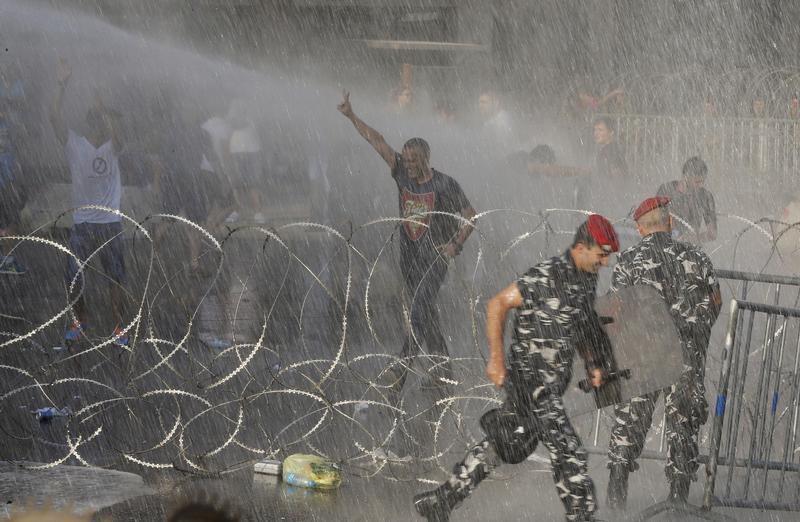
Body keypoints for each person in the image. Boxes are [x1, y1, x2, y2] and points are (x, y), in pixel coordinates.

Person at [413, 215, 620, 522]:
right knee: (568, 450)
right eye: (602, 254)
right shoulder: (547, 275)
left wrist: (593, 363)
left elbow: (583, 325)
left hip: (551, 384)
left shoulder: (586, 281)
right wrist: (496, 359)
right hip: (530, 382)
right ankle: (581, 516)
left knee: (504, 442)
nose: (605, 262)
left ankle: (442, 500)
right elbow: (497, 304)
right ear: (581, 247)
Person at [337, 90, 476, 444]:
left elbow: (471, 215)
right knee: (426, 316)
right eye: (407, 158)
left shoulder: (444, 184)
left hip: (435, 259)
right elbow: (377, 141)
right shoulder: (400, 173)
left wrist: (455, 244)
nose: (409, 164)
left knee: (417, 315)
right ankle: (444, 374)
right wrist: (352, 116)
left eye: (414, 159)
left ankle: (397, 377)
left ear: (426, 158)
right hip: (409, 259)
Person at [605, 196, 721, 509]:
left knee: (630, 422)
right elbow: (715, 301)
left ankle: (616, 499)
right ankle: (678, 500)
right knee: (683, 424)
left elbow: (616, 309)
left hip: (641, 355)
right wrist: (695, 336)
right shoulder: (696, 256)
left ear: (640, 228)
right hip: (684, 356)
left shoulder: (629, 260)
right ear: (670, 222)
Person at [49, 58, 128, 348]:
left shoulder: (113, 148)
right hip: (83, 224)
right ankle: (80, 320)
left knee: (115, 278)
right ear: (94, 125)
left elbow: (119, 135)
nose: (108, 127)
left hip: (110, 222)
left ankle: (119, 326)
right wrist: (61, 85)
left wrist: (102, 105)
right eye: (102, 122)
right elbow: (53, 116)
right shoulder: (75, 145)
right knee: (73, 275)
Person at [656, 156, 717, 243]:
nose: (701, 185)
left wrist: (694, 238)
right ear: (686, 177)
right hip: (665, 244)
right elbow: (655, 221)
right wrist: (675, 235)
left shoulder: (706, 196)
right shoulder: (666, 190)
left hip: (690, 247)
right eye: (697, 182)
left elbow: (712, 233)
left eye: (703, 181)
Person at [592, 116, 627, 181]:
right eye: (595, 130)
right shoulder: (607, 149)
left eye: (600, 130)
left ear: (611, 132)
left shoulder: (612, 152)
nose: (596, 133)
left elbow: (618, 177)